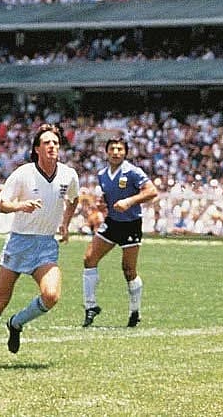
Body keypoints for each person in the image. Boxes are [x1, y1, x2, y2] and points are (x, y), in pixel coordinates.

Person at [0, 124, 79, 367]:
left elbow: (74, 198)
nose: (52, 146)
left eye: (56, 143)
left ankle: (16, 323)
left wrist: (65, 224)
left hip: (46, 244)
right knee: (0, 301)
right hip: (19, 241)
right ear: (37, 148)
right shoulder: (23, 174)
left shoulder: (68, 174)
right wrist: (20, 206)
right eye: (47, 143)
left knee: (51, 295)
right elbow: (1, 204)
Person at [81, 137, 158, 327]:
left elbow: (152, 192)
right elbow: (108, 198)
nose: (116, 152)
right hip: (112, 223)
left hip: (131, 224)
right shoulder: (102, 174)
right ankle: (90, 306)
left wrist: (129, 201)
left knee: (128, 270)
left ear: (125, 152)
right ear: (106, 152)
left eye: (120, 149)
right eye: (112, 149)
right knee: (89, 259)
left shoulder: (133, 172)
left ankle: (135, 311)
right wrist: (102, 204)